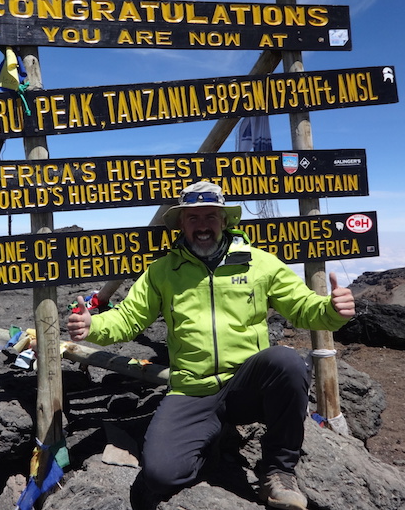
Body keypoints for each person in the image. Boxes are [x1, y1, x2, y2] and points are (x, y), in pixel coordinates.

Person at [67, 181, 355, 510]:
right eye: (193, 218)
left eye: (210, 216)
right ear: (181, 224)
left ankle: (278, 471)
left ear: (224, 221)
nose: (202, 225)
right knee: (161, 476)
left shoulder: (259, 264)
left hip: (248, 385)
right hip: (192, 389)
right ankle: (210, 445)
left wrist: (332, 311)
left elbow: (304, 308)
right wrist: (94, 326)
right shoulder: (163, 271)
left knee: (287, 362)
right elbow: (129, 319)